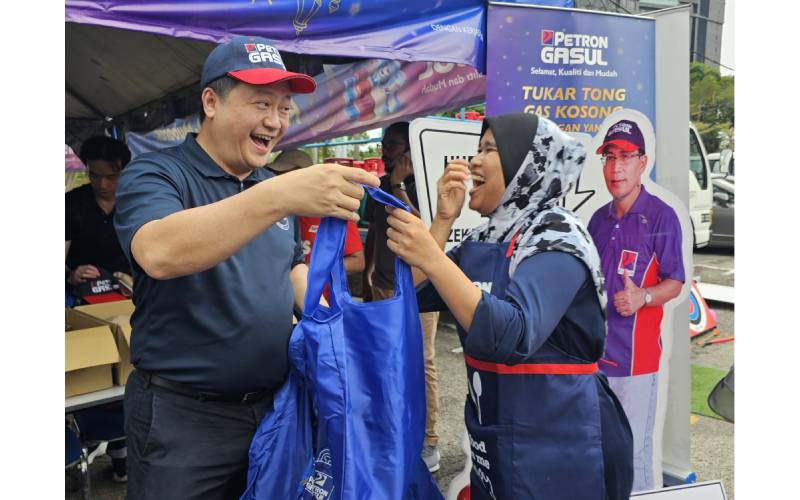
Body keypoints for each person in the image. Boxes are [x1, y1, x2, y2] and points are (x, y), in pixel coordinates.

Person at [113, 36, 378, 499]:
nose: (275, 121)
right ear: (211, 102)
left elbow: (292, 268)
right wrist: (280, 195)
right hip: (183, 419)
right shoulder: (158, 174)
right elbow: (159, 252)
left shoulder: (271, 187)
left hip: (276, 409)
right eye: (261, 103)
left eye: (284, 108)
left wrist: (343, 326)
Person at [385, 112, 633, 500]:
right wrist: (443, 221)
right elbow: (407, 295)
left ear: (527, 165)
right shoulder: (486, 237)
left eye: (490, 149)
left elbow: (512, 335)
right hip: (499, 442)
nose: (474, 161)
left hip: (564, 445)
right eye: (476, 149)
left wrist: (431, 258)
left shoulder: (558, 235)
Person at [587, 118, 685, 492]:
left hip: (635, 363)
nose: (616, 167)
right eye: (609, 157)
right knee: (598, 452)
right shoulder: (597, 220)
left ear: (643, 162)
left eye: (626, 157)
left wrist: (643, 296)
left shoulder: (661, 216)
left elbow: (675, 281)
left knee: (633, 457)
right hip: (594, 360)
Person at [362, 122, 442, 472]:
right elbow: (376, 230)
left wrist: (398, 185)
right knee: (382, 360)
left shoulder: (422, 183)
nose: (385, 151)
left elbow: (422, 233)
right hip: (381, 285)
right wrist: (367, 272)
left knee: (420, 360)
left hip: (416, 290)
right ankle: (391, 430)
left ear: (409, 151)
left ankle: (430, 440)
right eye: (384, 144)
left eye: (392, 145)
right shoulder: (380, 183)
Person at [269, 149, 365, 277]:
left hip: (318, 295)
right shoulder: (273, 211)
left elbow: (357, 262)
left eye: (288, 176)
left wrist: (309, 271)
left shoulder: (335, 211)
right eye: (277, 175)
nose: (282, 182)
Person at [66, 136, 133, 294]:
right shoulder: (71, 203)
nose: (102, 185)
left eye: (111, 177)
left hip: (129, 291)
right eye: (95, 175)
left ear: (125, 171)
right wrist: (70, 275)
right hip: (82, 293)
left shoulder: (137, 203)